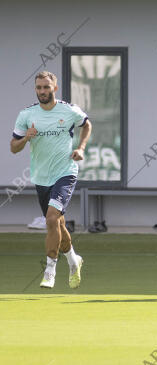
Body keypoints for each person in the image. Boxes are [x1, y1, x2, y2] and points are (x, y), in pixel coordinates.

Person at [10, 71, 92, 289]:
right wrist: (27, 137)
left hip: (65, 172)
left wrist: (81, 148)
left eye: (46, 87)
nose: (42, 91)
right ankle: (74, 260)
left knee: (51, 218)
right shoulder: (26, 115)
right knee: (58, 223)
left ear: (54, 88)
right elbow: (13, 148)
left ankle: (50, 269)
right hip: (41, 177)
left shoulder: (68, 110)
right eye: (38, 88)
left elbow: (87, 125)